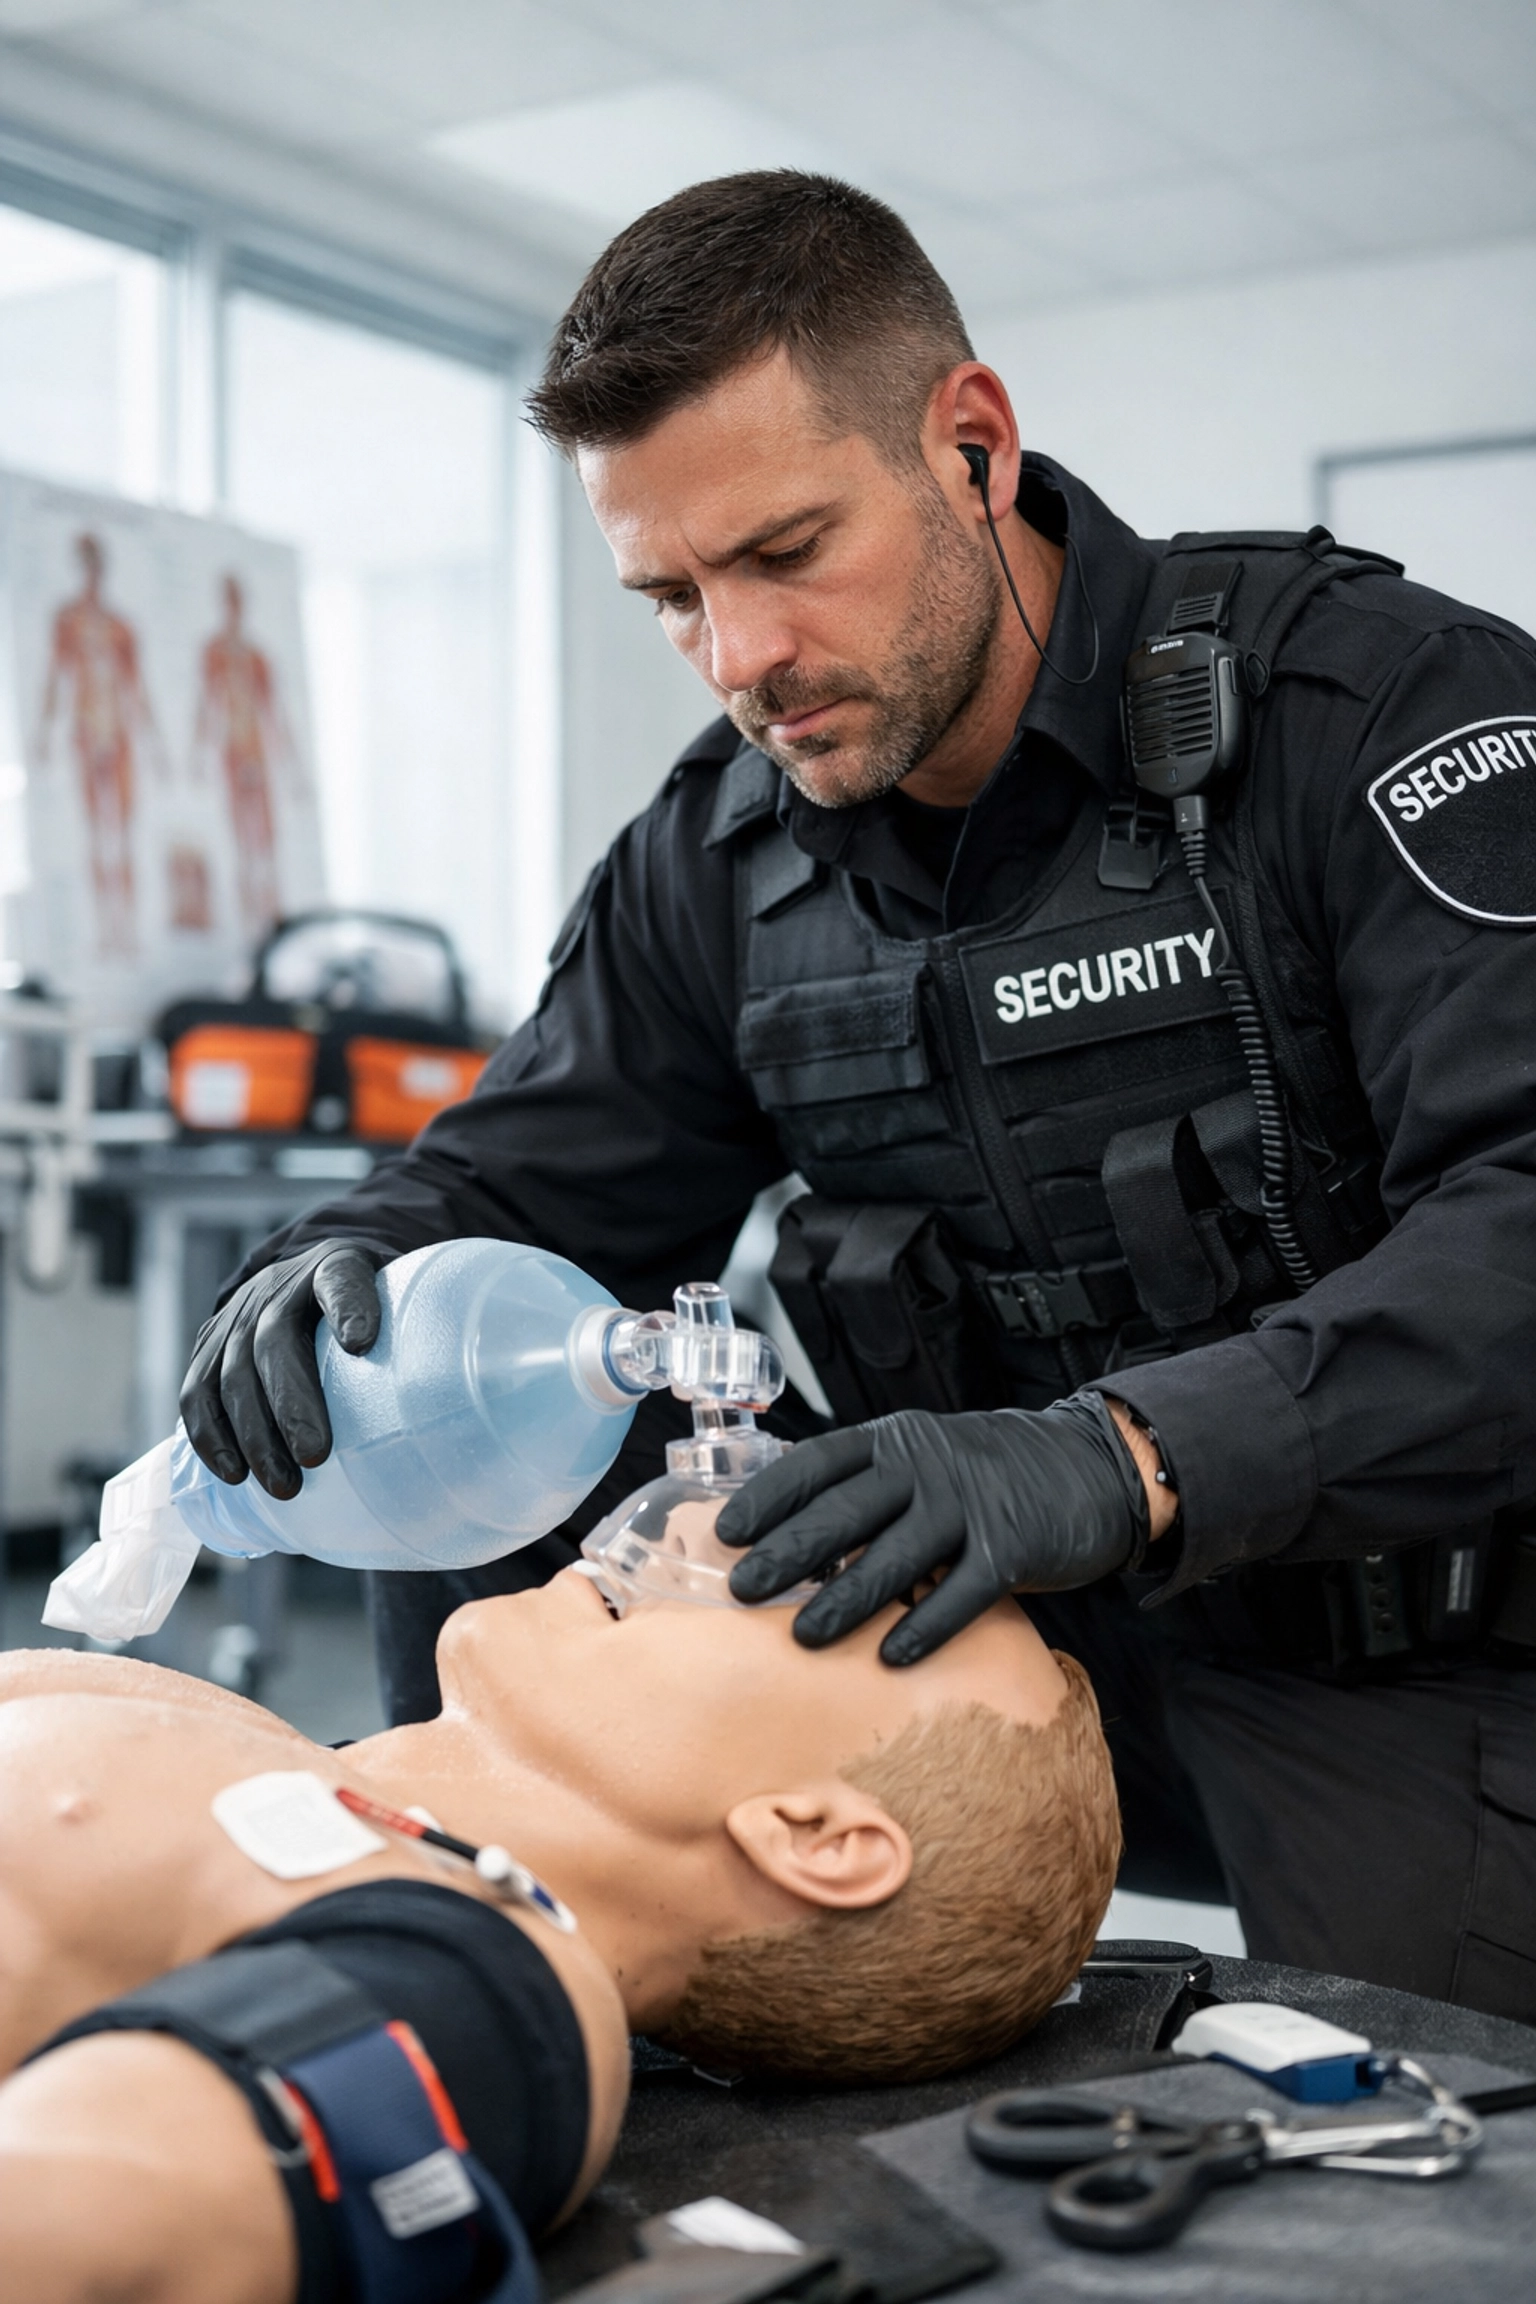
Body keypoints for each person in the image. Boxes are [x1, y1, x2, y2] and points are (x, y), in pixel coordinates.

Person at [180, 172, 1536, 2018]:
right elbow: (515, 1185)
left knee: (1410, 2180)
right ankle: (498, 1966)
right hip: (961, 1617)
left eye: (785, 549)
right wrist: (344, 1257)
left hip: (1399, 1657)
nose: (739, 660)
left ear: (969, 442)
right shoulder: (725, 857)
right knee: (453, 1396)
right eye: (670, 595)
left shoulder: (1370, 712)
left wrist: (1115, 1454)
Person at [0, 1564, 1114, 2302]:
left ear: (817, 1837)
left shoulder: (487, 1996)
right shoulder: (314, 1799)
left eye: (849, 1582)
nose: (722, 1527)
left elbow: (63, 2223)